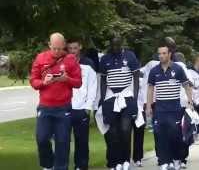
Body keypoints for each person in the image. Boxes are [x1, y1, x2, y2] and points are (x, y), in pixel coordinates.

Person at [30, 32, 82, 170]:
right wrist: (43, 82)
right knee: (41, 138)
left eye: (60, 48)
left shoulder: (70, 59)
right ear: (49, 45)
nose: (58, 51)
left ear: (64, 45)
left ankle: (61, 167)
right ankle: (47, 165)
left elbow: (78, 83)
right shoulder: (41, 58)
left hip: (63, 108)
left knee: (62, 142)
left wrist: (67, 79)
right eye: (55, 48)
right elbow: (33, 82)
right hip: (45, 107)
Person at [146, 45, 193, 170]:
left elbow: (186, 85)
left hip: (174, 108)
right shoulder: (154, 71)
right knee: (160, 135)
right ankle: (164, 161)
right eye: (159, 53)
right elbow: (150, 88)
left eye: (164, 53)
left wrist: (190, 101)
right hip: (160, 108)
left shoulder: (177, 69)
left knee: (174, 134)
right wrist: (149, 106)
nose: (161, 55)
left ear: (169, 54)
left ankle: (175, 159)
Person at [98, 35, 140, 170]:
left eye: (118, 45)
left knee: (125, 129)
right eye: (113, 45)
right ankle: (117, 162)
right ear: (110, 45)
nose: (115, 48)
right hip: (111, 98)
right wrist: (103, 100)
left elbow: (136, 78)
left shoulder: (130, 56)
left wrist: (134, 97)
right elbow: (103, 81)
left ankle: (126, 160)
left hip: (127, 96)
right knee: (114, 132)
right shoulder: (105, 59)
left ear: (122, 44)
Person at [67, 39, 97, 170]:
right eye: (70, 48)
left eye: (75, 48)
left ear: (80, 47)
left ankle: (81, 166)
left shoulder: (88, 64)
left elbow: (92, 87)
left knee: (82, 141)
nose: (73, 51)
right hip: (66, 107)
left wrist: (88, 107)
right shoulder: (64, 63)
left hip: (82, 109)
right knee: (63, 140)